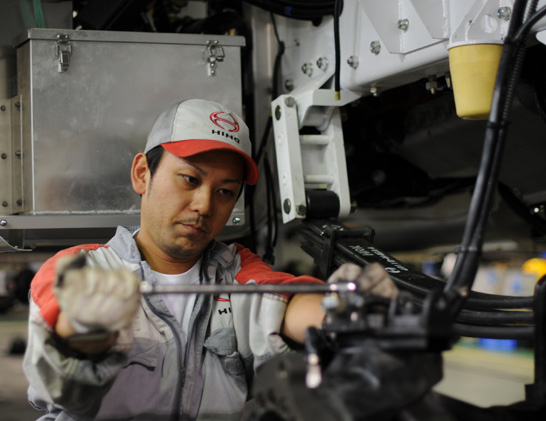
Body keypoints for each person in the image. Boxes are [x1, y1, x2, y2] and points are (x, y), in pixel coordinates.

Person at [22, 98, 397, 420]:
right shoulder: (79, 270)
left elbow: (287, 304)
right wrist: (86, 332)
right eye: (189, 180)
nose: (204, 205)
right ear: (142, 174)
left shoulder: (237, 272)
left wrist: (345, 309)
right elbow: (57, 382)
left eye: (224, 191)